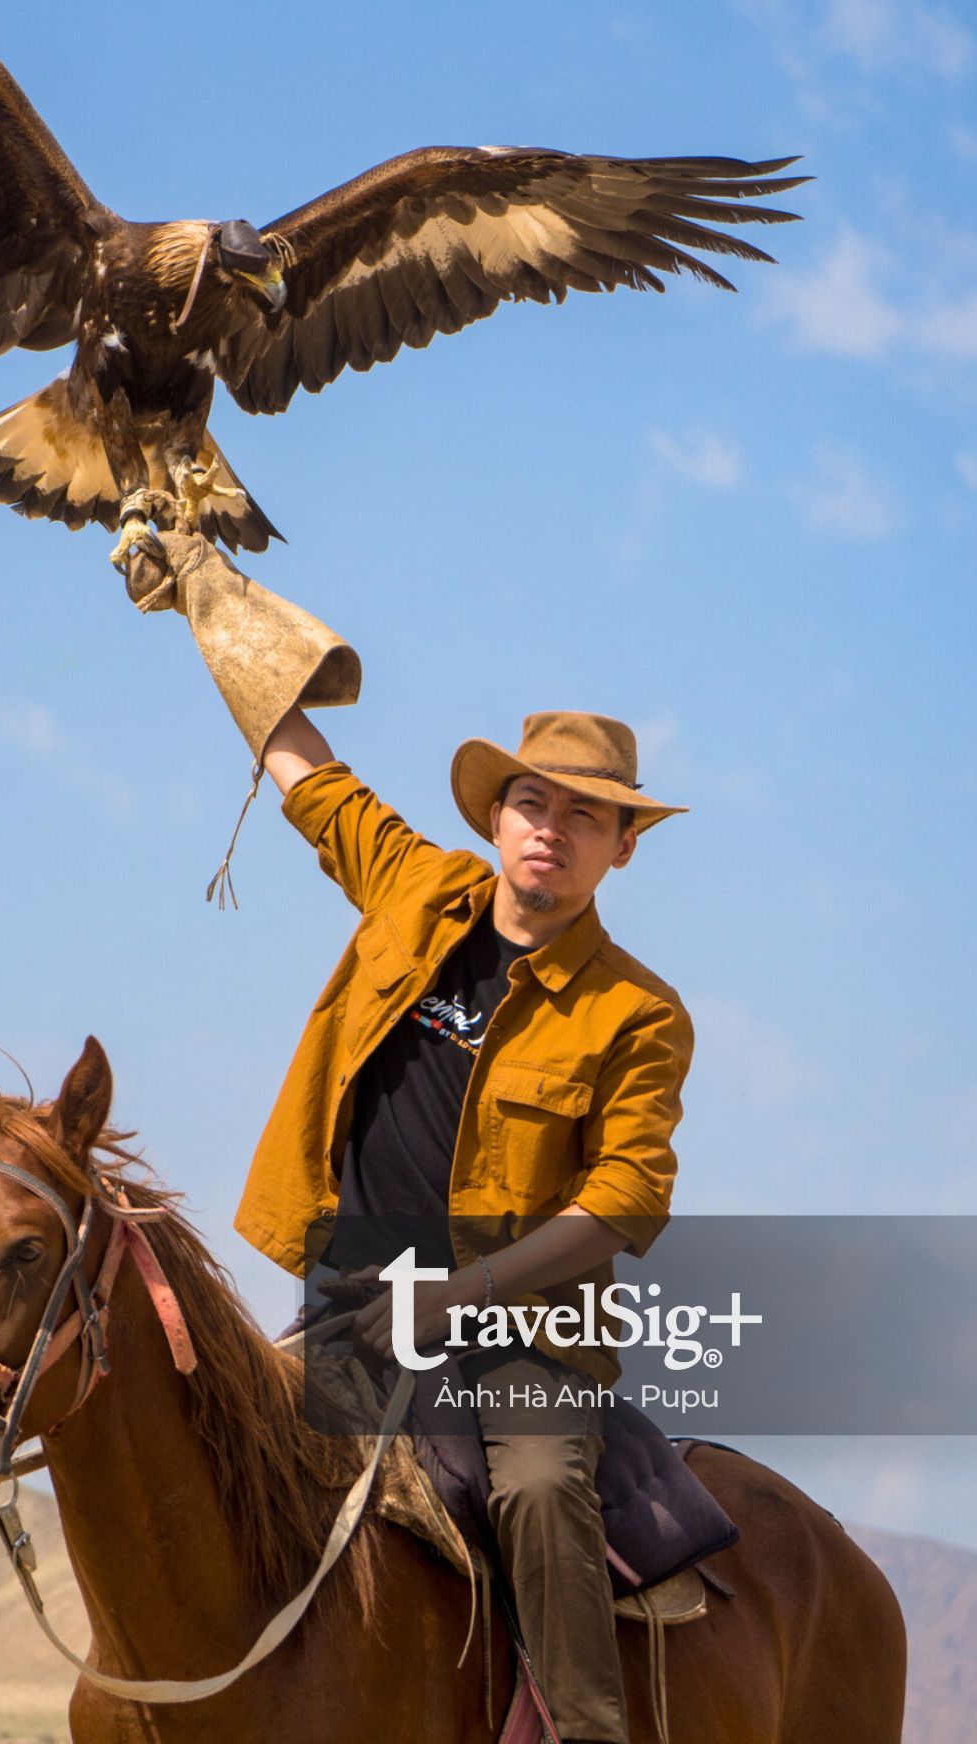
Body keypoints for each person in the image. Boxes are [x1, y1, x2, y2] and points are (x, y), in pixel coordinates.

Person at [235, 704, 694, 1744]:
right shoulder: (417, 890)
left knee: (535, 1485)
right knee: (219, 1452)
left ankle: (585, 1732)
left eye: (587, 814)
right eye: (532, 800)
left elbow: (624, 1192)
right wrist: (212, 598)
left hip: (520, 1333)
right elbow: (308, 777)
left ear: (622, 849)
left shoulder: (637, 1012)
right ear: (495, 814)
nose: (551, 826)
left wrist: (461, 1292)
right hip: (353, 1297)